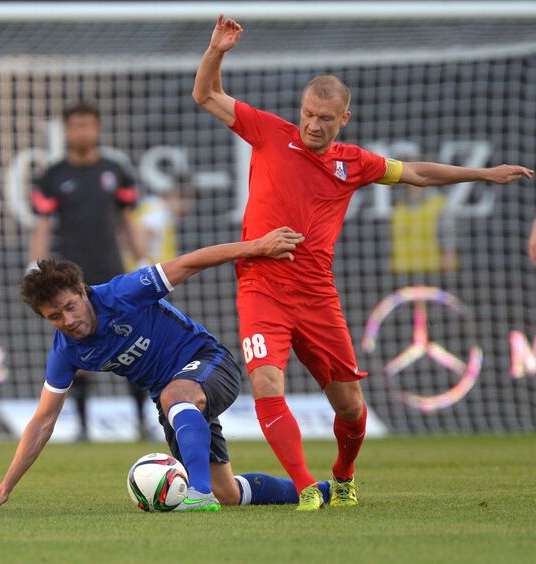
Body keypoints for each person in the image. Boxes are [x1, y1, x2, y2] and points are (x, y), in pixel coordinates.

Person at [192, 14, 534, 511]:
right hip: (261, 288)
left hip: (317, 297)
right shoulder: (269, 132)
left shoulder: (353, 163)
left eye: (324, 118)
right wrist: (217, 50)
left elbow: (415, 172)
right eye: (308, 113)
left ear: (343, 119)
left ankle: (344, 476)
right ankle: (307, 487)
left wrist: (484, 174)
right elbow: (205, 95)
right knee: (266, 380)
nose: (312, 124)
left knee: (350, 406)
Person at [0, 227, 337, 513]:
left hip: (211, 363)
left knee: (175, 400)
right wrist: (5, 489)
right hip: (174, 403)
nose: (67, 320)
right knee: (228, 493)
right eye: (54, 317)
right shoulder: (65, 352)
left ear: (83, 291)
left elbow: (192, 261)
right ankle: (322, 491)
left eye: (69, 307)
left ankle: (196, 494)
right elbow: (42, 422)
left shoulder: (123, 292)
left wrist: (257, 246)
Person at [29, 102, 151, 441]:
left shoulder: (115, 171)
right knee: (78, 347)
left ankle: (143, 419)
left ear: (97, 129)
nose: (82, 132)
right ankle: (82, 426)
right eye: (75, 126)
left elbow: (128, 220)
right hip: (70, 280)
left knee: (132, 342)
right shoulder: (53, 176)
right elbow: (42, 225)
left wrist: (141, 259)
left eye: (88, 125)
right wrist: (34, 264)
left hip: (112, 275)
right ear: (66, 131)